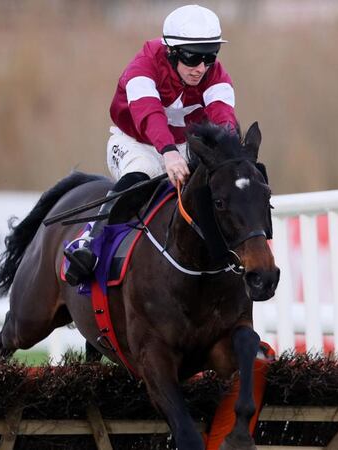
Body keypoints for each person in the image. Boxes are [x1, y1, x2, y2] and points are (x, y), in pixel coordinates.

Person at [63, 4, 239, 286]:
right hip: (136, 141)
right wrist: (168, 153)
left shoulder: (215, 75)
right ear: (172, 52)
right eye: (194, 58)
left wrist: (232, 154)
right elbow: (149, 115)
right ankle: (88, 242)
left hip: (184, 145)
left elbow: (224, 118)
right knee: (142, 173)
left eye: (209, 58)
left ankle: (225, 259)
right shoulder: (142, 68)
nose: (201, 69)